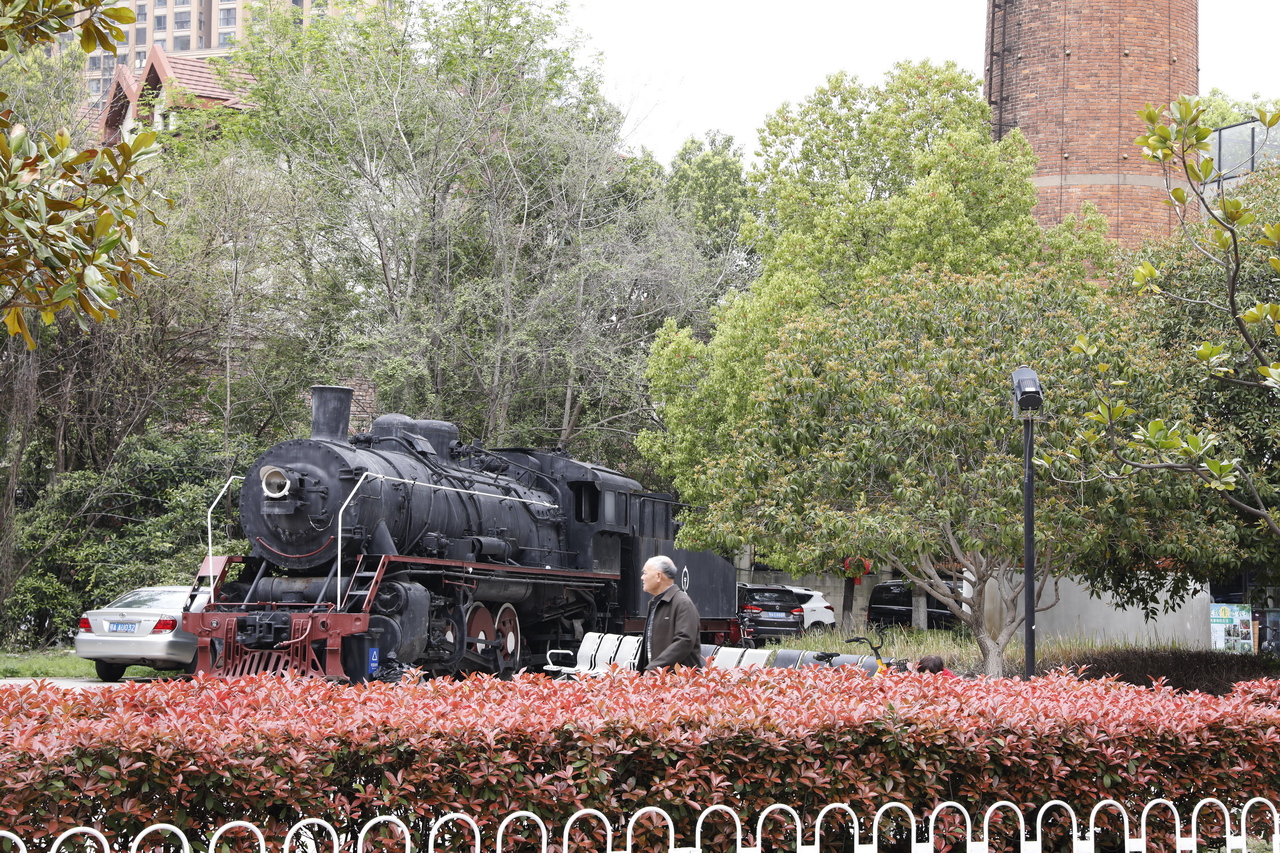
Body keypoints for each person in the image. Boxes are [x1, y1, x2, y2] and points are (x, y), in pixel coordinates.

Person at [638, 555, 704, 671]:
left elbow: (685, 640)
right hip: (659, 678)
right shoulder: (656, 602)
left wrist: (655, 667)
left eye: (645, 573)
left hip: (679, 683)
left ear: (658, 576)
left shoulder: (683, 603)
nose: (642, 577)